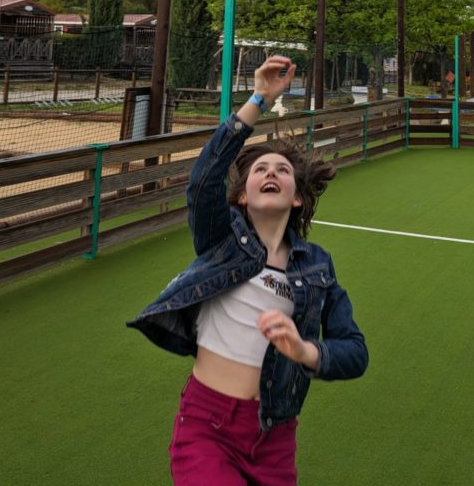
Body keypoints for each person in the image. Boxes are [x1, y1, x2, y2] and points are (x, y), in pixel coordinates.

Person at [128, 55, 368, 485]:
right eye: (260, 170)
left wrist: (303, 351)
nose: (271, 173)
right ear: (242, 196)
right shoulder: (222, 239)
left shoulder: (317, 266)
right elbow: (203, 180)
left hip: (275, 437)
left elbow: (354, 351)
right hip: (208, 426)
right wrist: (257, 99)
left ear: (297, 197)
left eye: (282, 171)